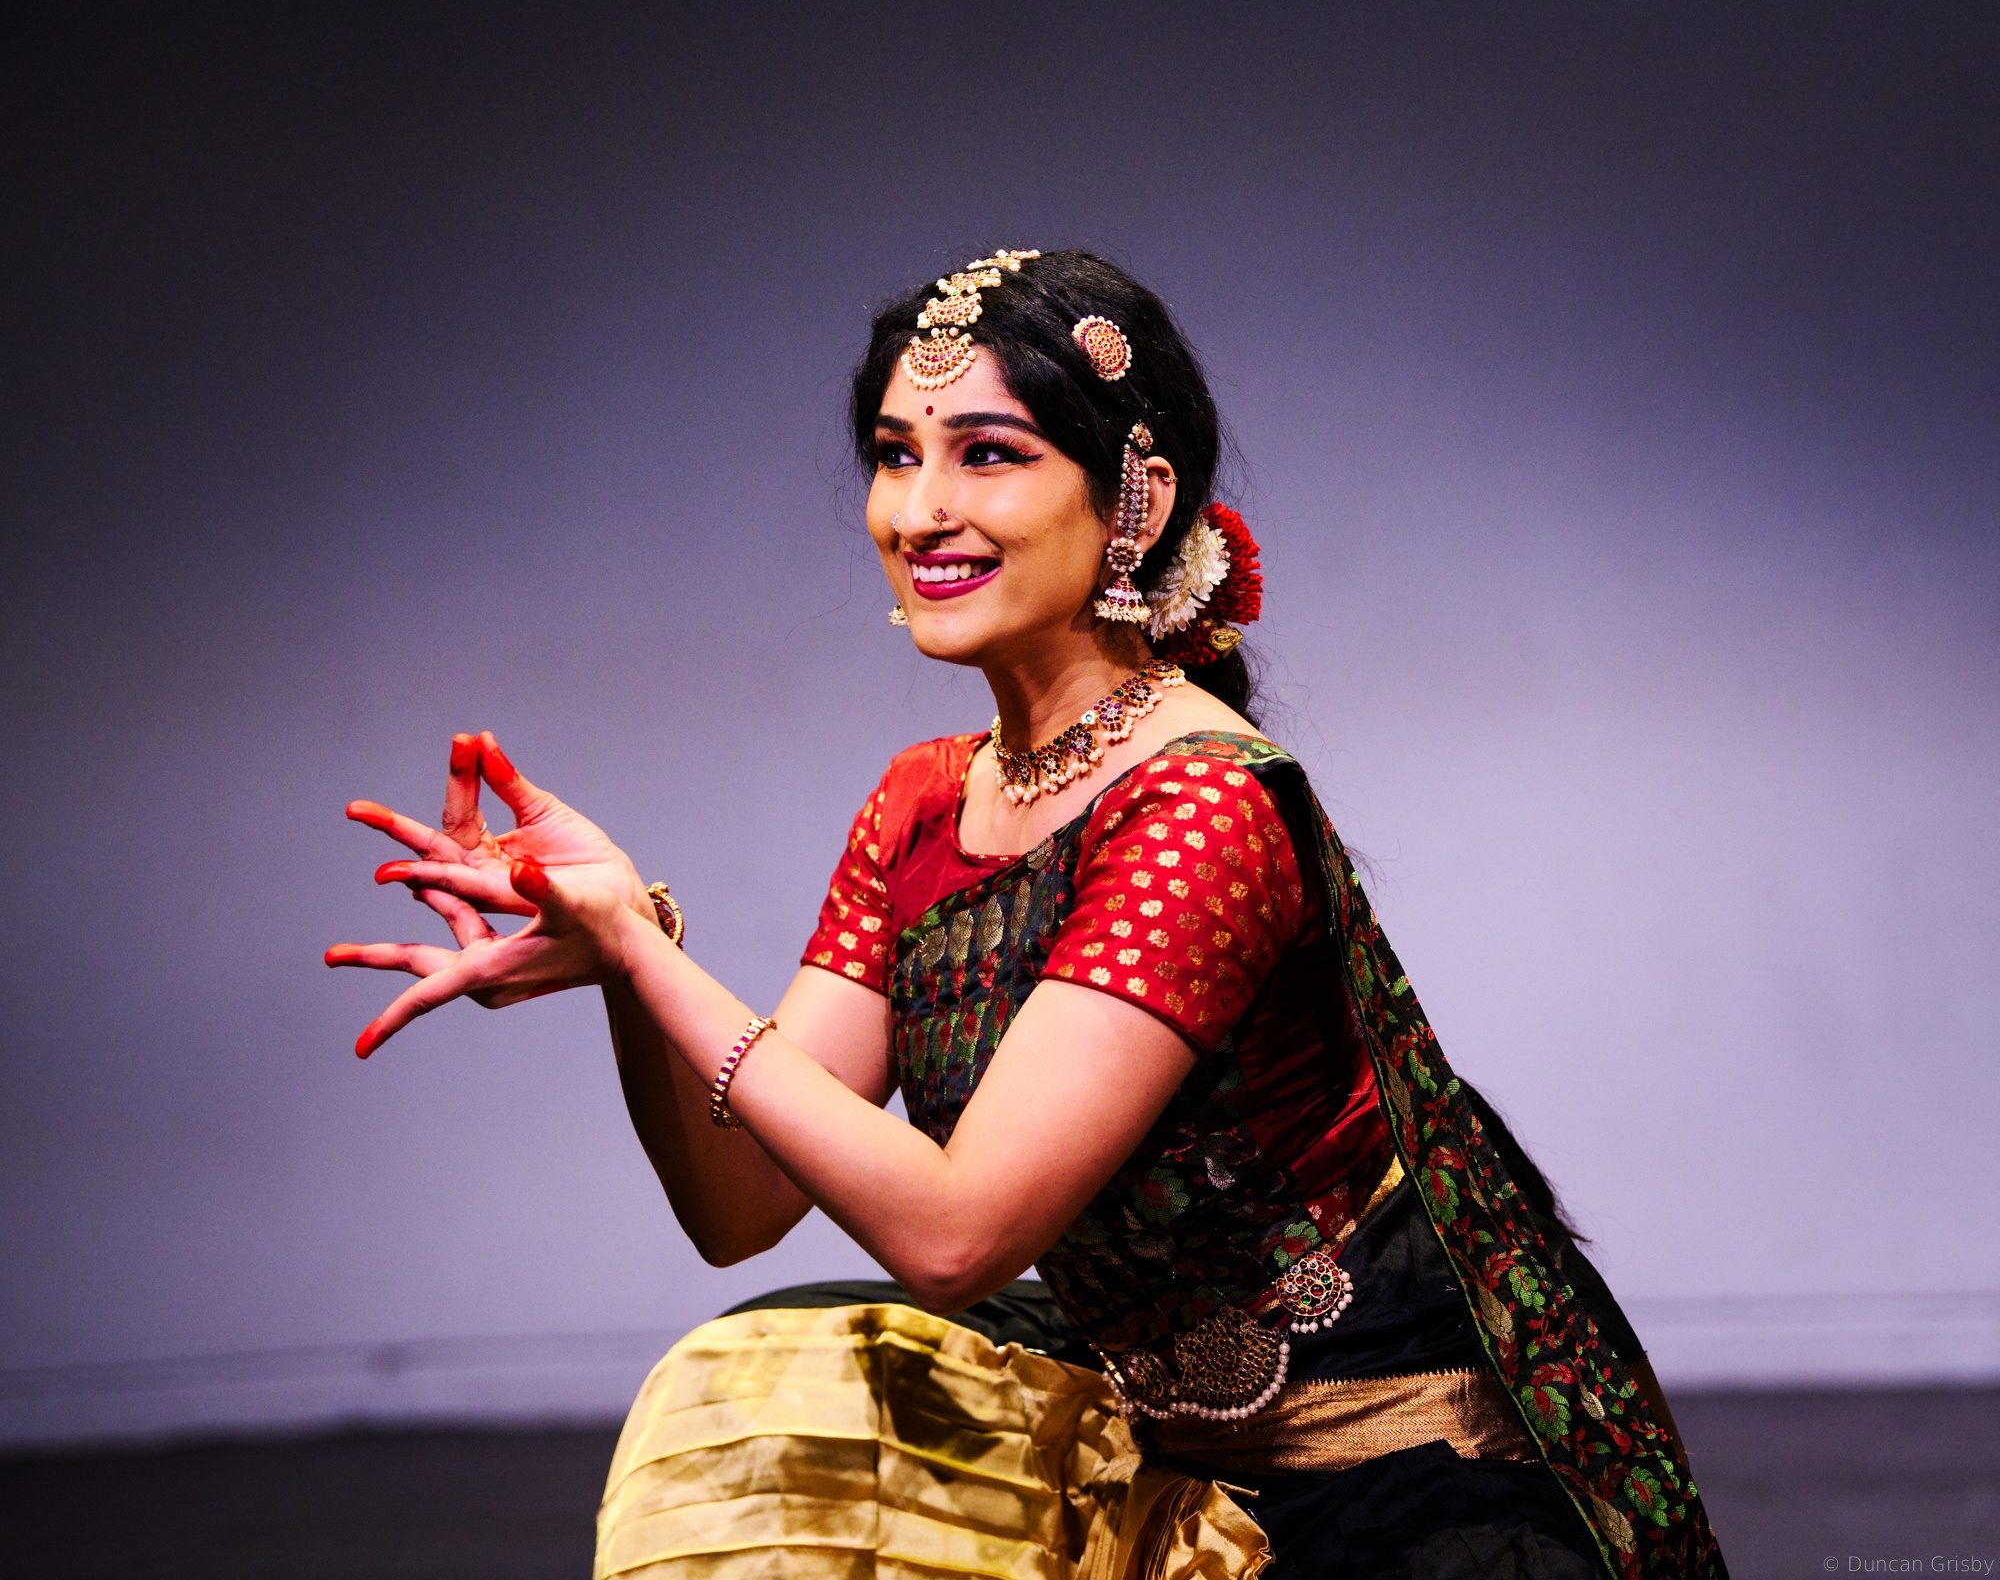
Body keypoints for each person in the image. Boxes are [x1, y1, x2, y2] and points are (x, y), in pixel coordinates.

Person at [328, 249, 1726, 1579]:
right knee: (758, 1410)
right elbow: (738, 1203)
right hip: (1150, 1440)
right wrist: (628, 958)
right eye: (895, 455)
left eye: (988, 454)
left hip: (1381, 1472)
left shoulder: (1200, 807)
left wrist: (644, 947)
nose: (919, 510)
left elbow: (958, 1237)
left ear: (1136, 501)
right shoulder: (926, 803)